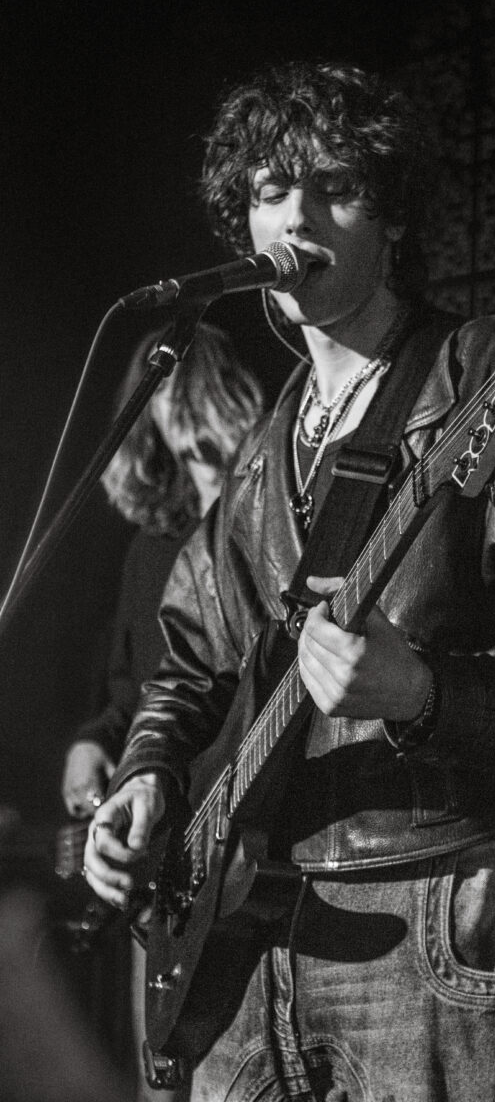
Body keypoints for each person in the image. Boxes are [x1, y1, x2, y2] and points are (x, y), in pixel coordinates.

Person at [83, 61, 495, 1102]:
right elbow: (188, 664)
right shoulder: (264, 446)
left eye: (334, 186)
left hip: (427, 919)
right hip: (247, 934)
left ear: (391, 221)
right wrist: (148, 774)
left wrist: (424, 694)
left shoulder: (485, 373)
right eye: (270, 190)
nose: (296, 216)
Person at [61, 322, 265, 1101]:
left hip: (251, 862)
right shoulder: (154, 549)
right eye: (173, 419)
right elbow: (133, 691)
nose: (192, 442)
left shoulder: (274, 528)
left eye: (195, 404)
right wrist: (92, 744)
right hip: (167, 871)